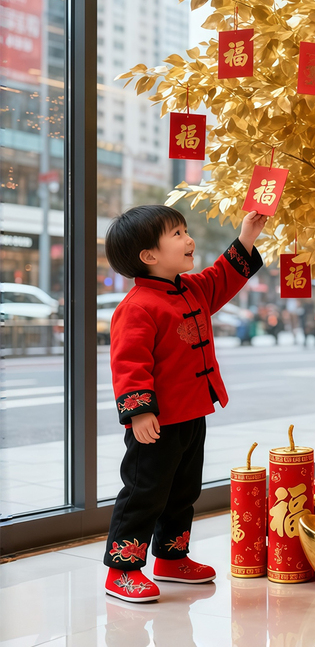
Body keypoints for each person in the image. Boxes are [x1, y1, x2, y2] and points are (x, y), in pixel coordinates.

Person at [102, 205, 267, 602]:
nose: (189, 239)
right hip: (157, 422)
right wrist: (140, 411)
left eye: (185, 230)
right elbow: (128, 363)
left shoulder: (192, 288)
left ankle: (171, 558)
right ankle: (122, 570)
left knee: (184, 491)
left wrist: (247, 237)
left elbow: (222, 277)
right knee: (145, 492)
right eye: (177, 234)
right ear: (149, 255)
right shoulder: (137, 306)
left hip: (193, 413)